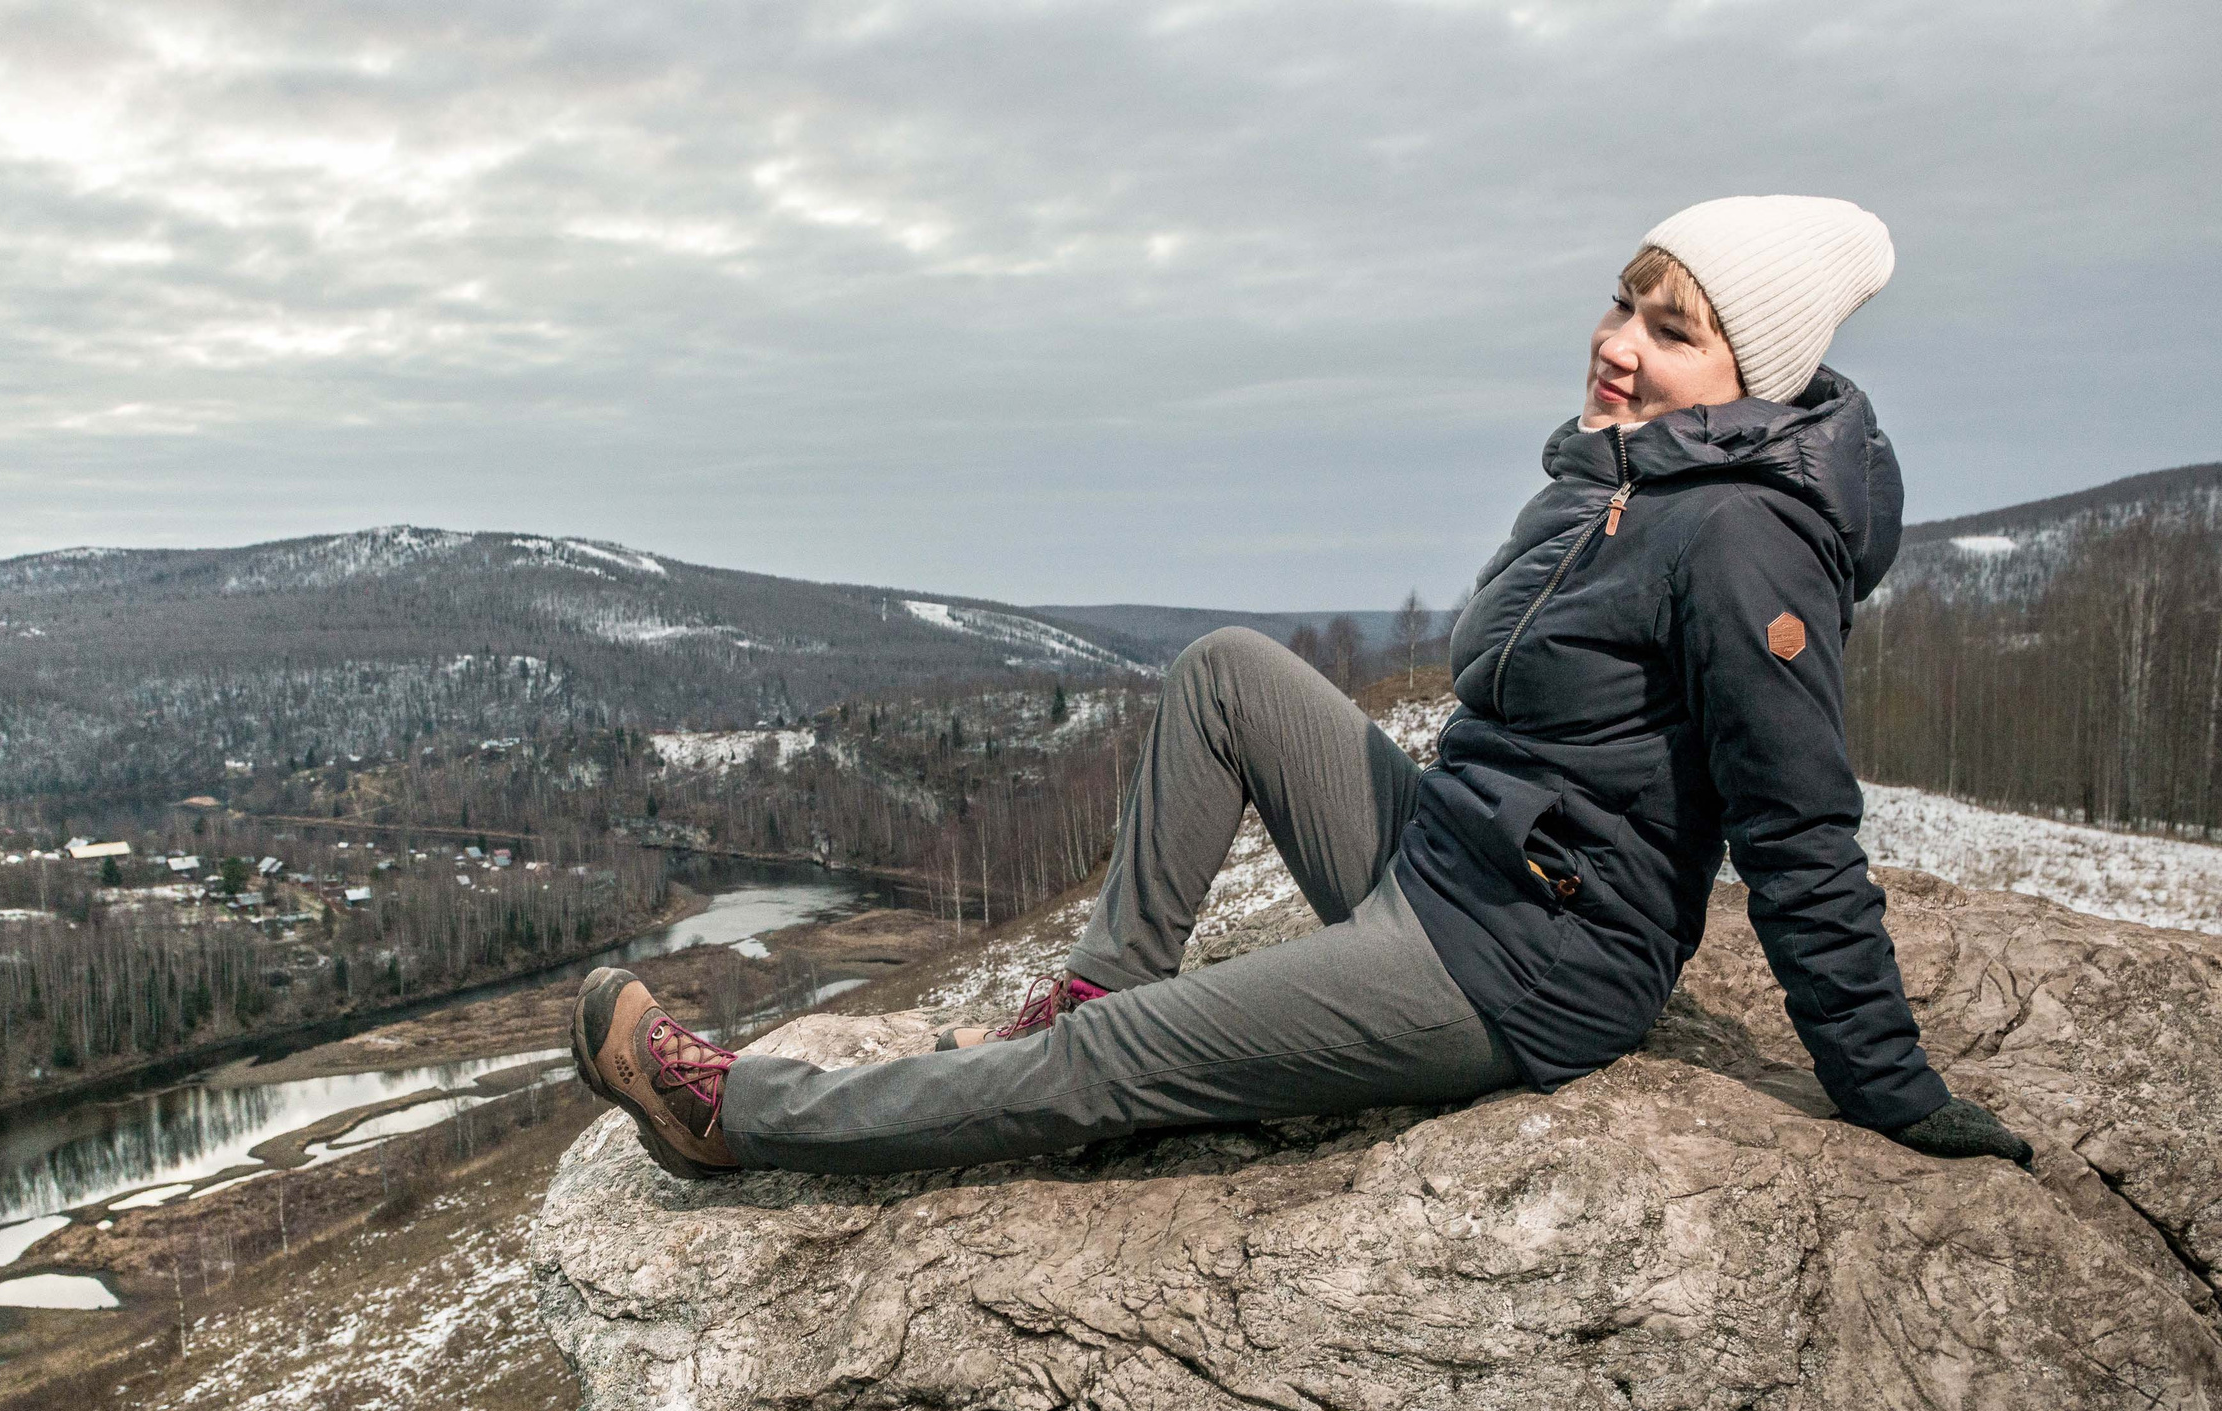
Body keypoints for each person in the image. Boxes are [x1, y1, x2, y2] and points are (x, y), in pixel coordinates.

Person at [571, 194, 2032, 1181]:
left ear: (1751, 378)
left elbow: (1800, 830)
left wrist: (1889, 1086)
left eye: (1670, 328)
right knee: (1222, 673)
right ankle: (1091, 983)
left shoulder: (1738, 537)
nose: (1616, 342)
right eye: (1623, 302)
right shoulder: (1623, 478)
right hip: (1445, 853)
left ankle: (738, 1116)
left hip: (1522, 959)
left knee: (1119, 1065)